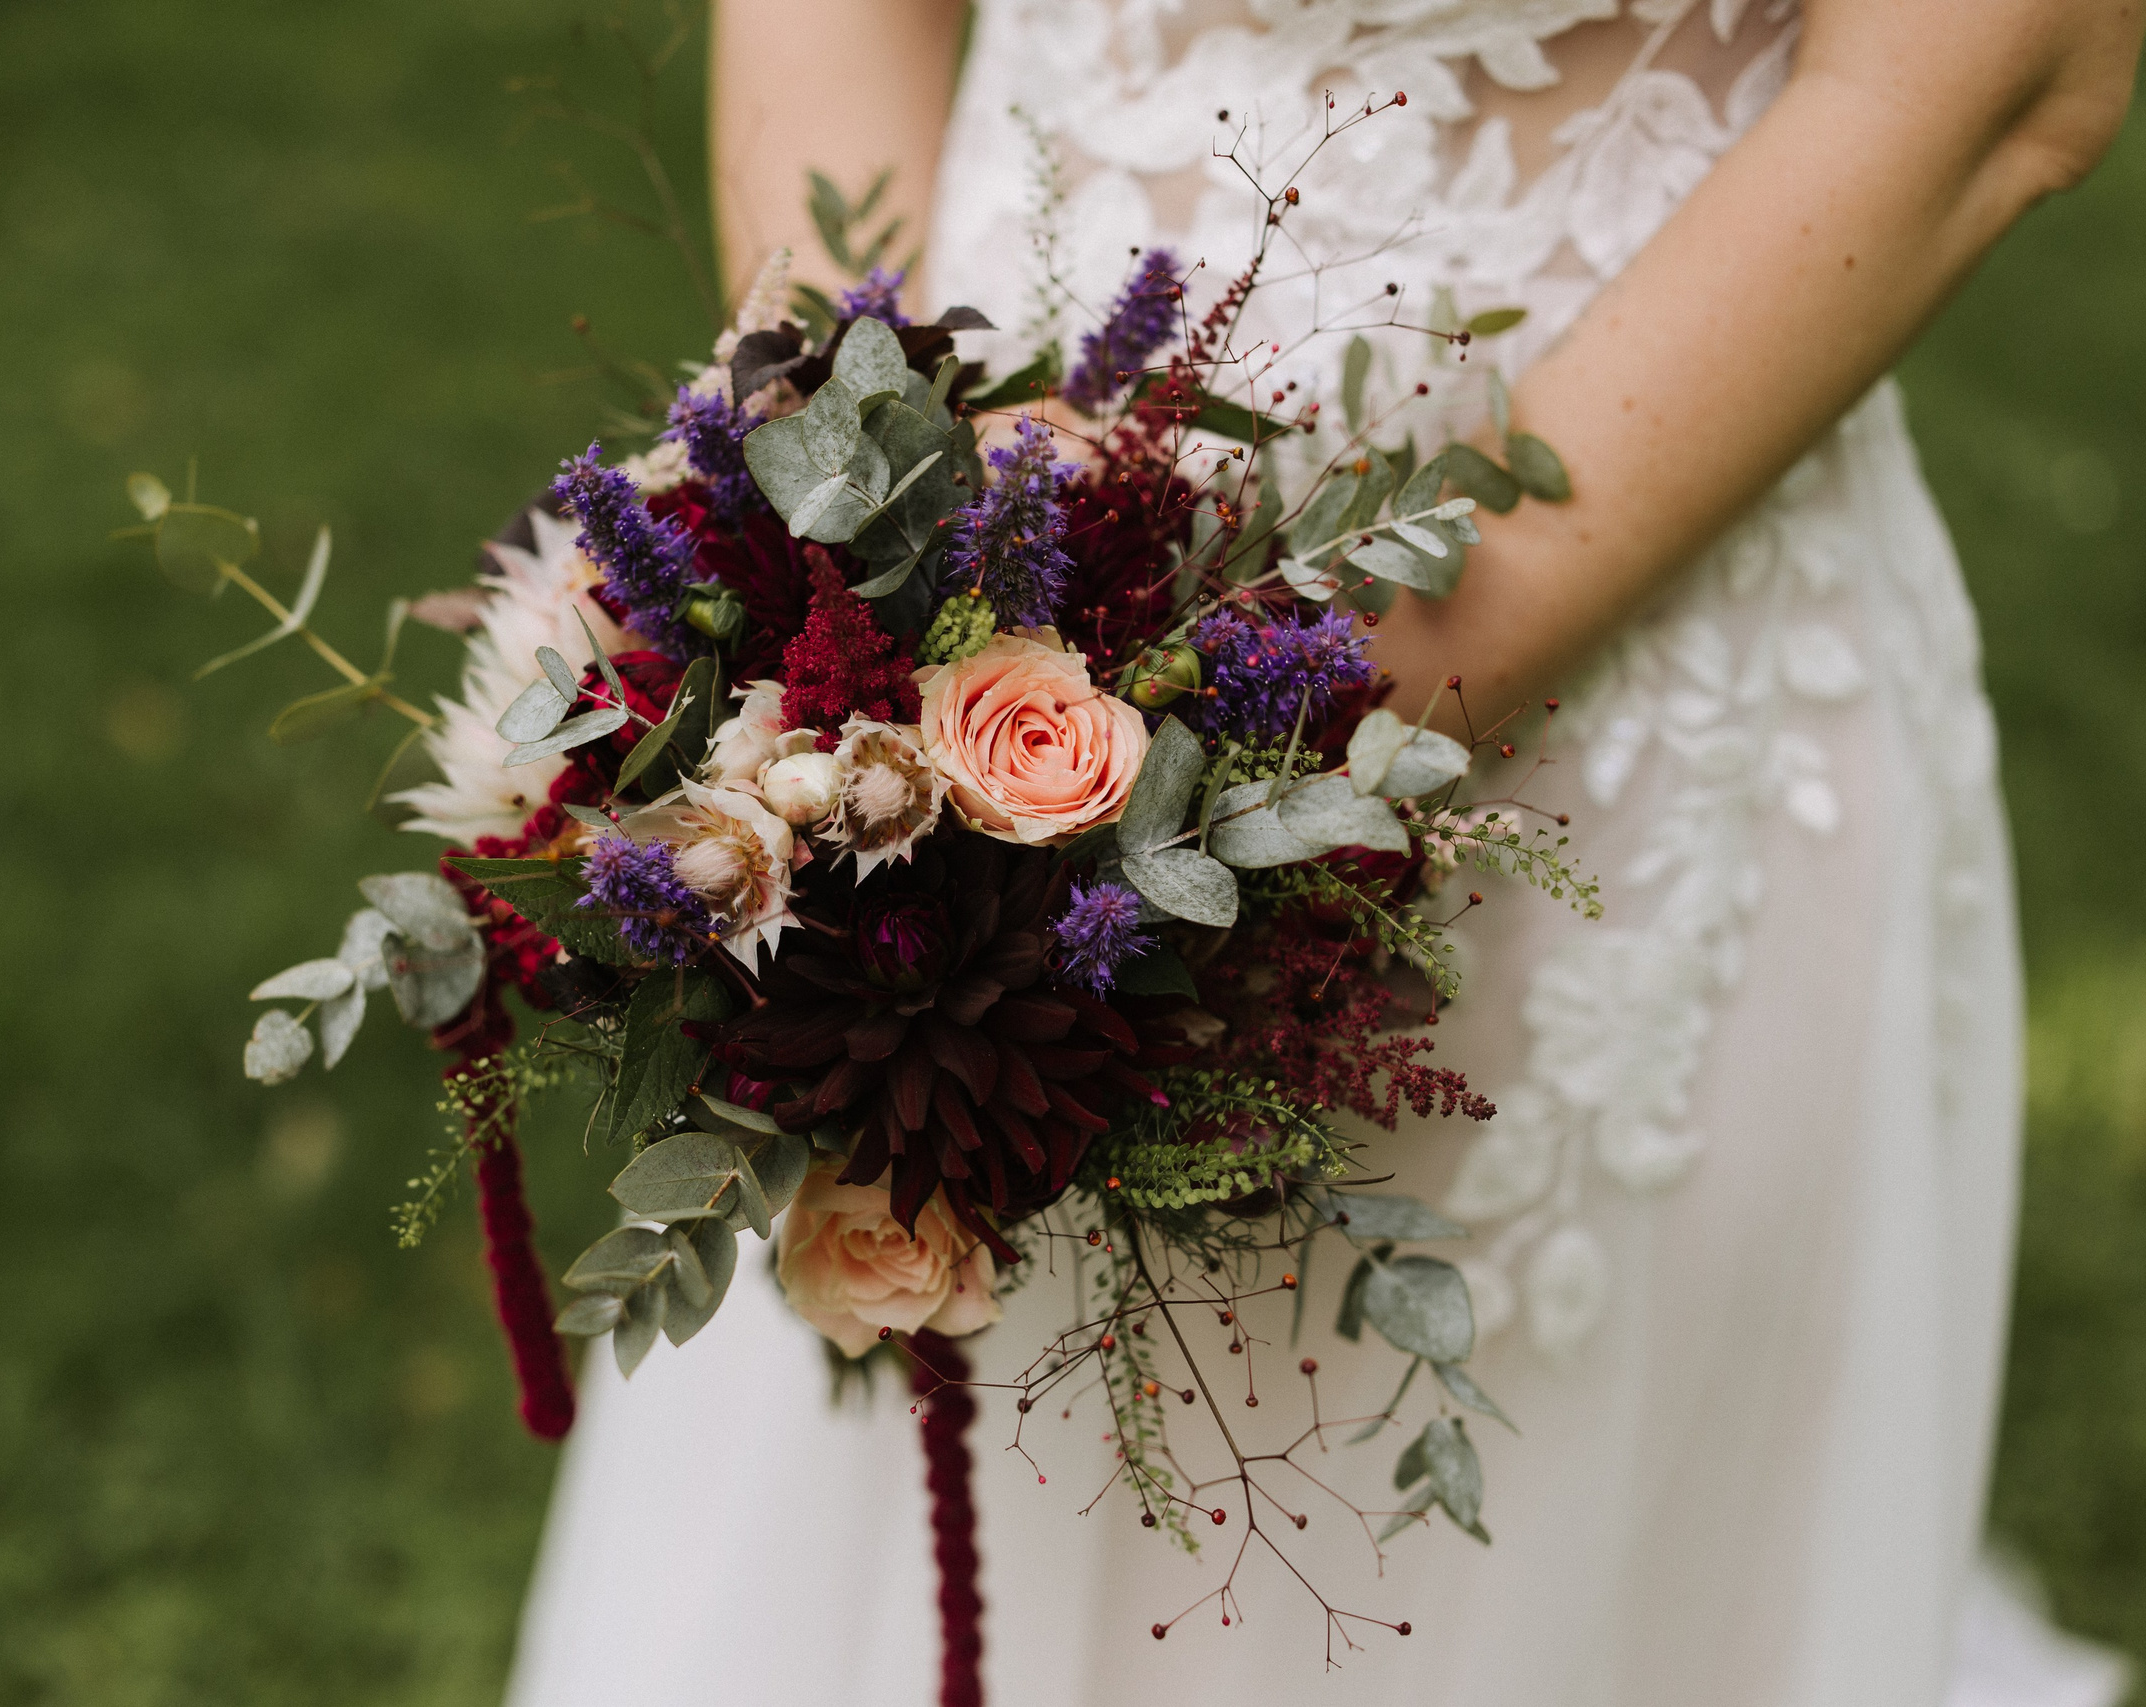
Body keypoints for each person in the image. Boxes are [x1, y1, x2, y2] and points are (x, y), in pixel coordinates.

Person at [508, 4, 2145, 1704]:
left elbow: (1997, 69)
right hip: (939, 568)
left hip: (1608, 668)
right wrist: (847, 524)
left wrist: (1218, 758)